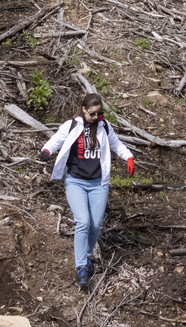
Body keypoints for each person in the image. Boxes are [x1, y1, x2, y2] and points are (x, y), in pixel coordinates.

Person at [38, 93, 134, 287]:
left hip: (98, 183)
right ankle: (81, 266)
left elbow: (116, 144)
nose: (97, 117)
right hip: (76, 181)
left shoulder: (104, 126)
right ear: (83, 110)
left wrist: (129, 157)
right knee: (83, 221)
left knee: (96, 225)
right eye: (93, 113)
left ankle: (87, 255)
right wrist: (46, 150)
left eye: (99, 113)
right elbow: (57, 139)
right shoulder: (72, 125)